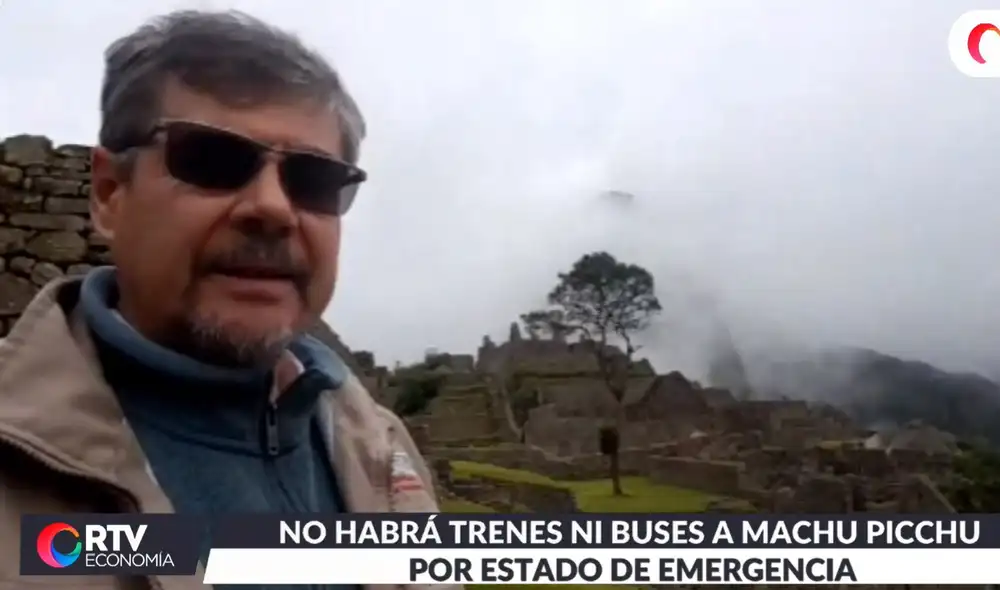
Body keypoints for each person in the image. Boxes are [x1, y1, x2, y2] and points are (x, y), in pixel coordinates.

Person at [0, 10, 450, 589]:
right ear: (110, 194)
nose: (273, 208)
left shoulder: (381, 450)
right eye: (212, 161)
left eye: (313, 180)